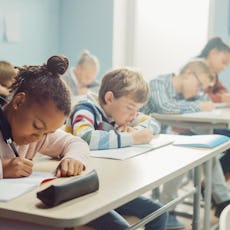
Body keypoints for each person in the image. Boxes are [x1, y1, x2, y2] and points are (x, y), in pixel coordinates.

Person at [65, 68, 167, 229]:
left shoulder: (118, 114)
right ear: (109, 98)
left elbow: (153, 123)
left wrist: (138, 131)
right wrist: (132, 138)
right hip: (84, 193)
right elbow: (84, 137)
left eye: (137, 110)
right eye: (130, 108)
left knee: (160, 212)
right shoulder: (86, 108)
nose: (133, 115)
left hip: (109, 188)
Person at [141, 59, 230, 229]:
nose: (200, 91)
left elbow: (203, 102)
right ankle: (169, 206)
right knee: (190, 149)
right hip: (145, 140)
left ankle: (222, 201)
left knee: (204, 144)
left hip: (162, 137)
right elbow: (165, 107)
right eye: (199, 85)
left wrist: (199, 101)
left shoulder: (185, 94)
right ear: (189, 73)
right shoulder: (158, 83)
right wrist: (198, 106)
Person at [0, 55, 89, 179]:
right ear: (19, 102)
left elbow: (76, 143)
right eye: (37, 126)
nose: (38, 138)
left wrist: (73, 159)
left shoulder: (39, 135)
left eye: (47, 133)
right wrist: (3, 168)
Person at [197, 36, 230, 102]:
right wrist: (221, 98)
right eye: (223, 62)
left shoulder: (213, 72)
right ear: (213, 53)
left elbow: (219, 88)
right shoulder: (196, 68)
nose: (224, 68)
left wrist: (223, 93)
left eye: (227, 65)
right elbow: (196, 97)